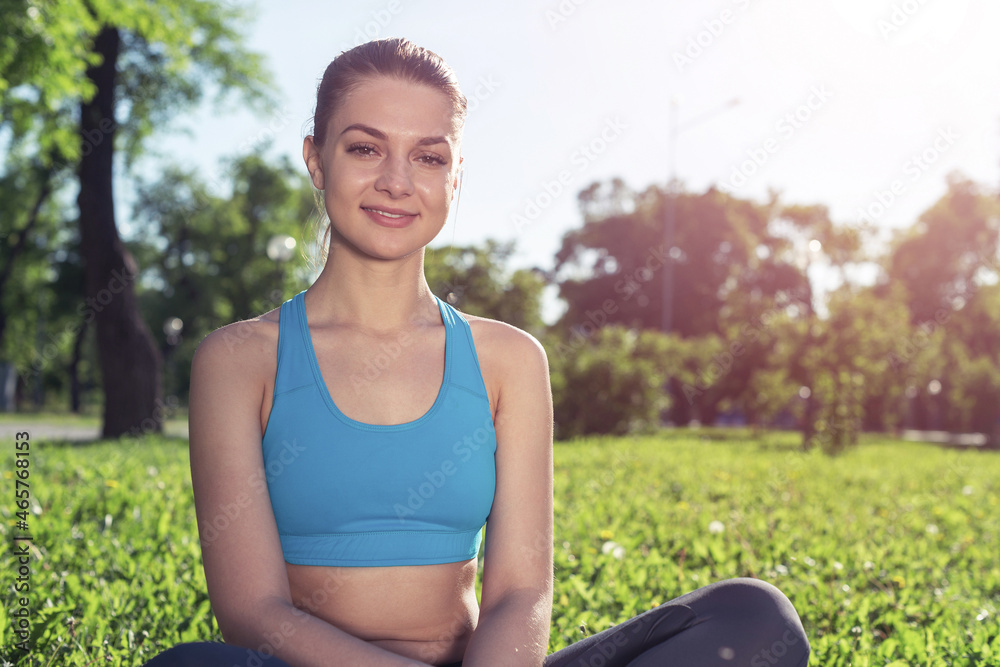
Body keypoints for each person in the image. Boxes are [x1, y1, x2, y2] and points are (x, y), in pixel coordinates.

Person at [143, 38, 810, 667]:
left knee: (753, 617)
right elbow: (254, 612)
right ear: (316, 159)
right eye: (366, 149)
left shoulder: (508, 360)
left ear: (456, 175)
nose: (397, 181)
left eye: (429, 157)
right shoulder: (238, 360)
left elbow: (521, 593)